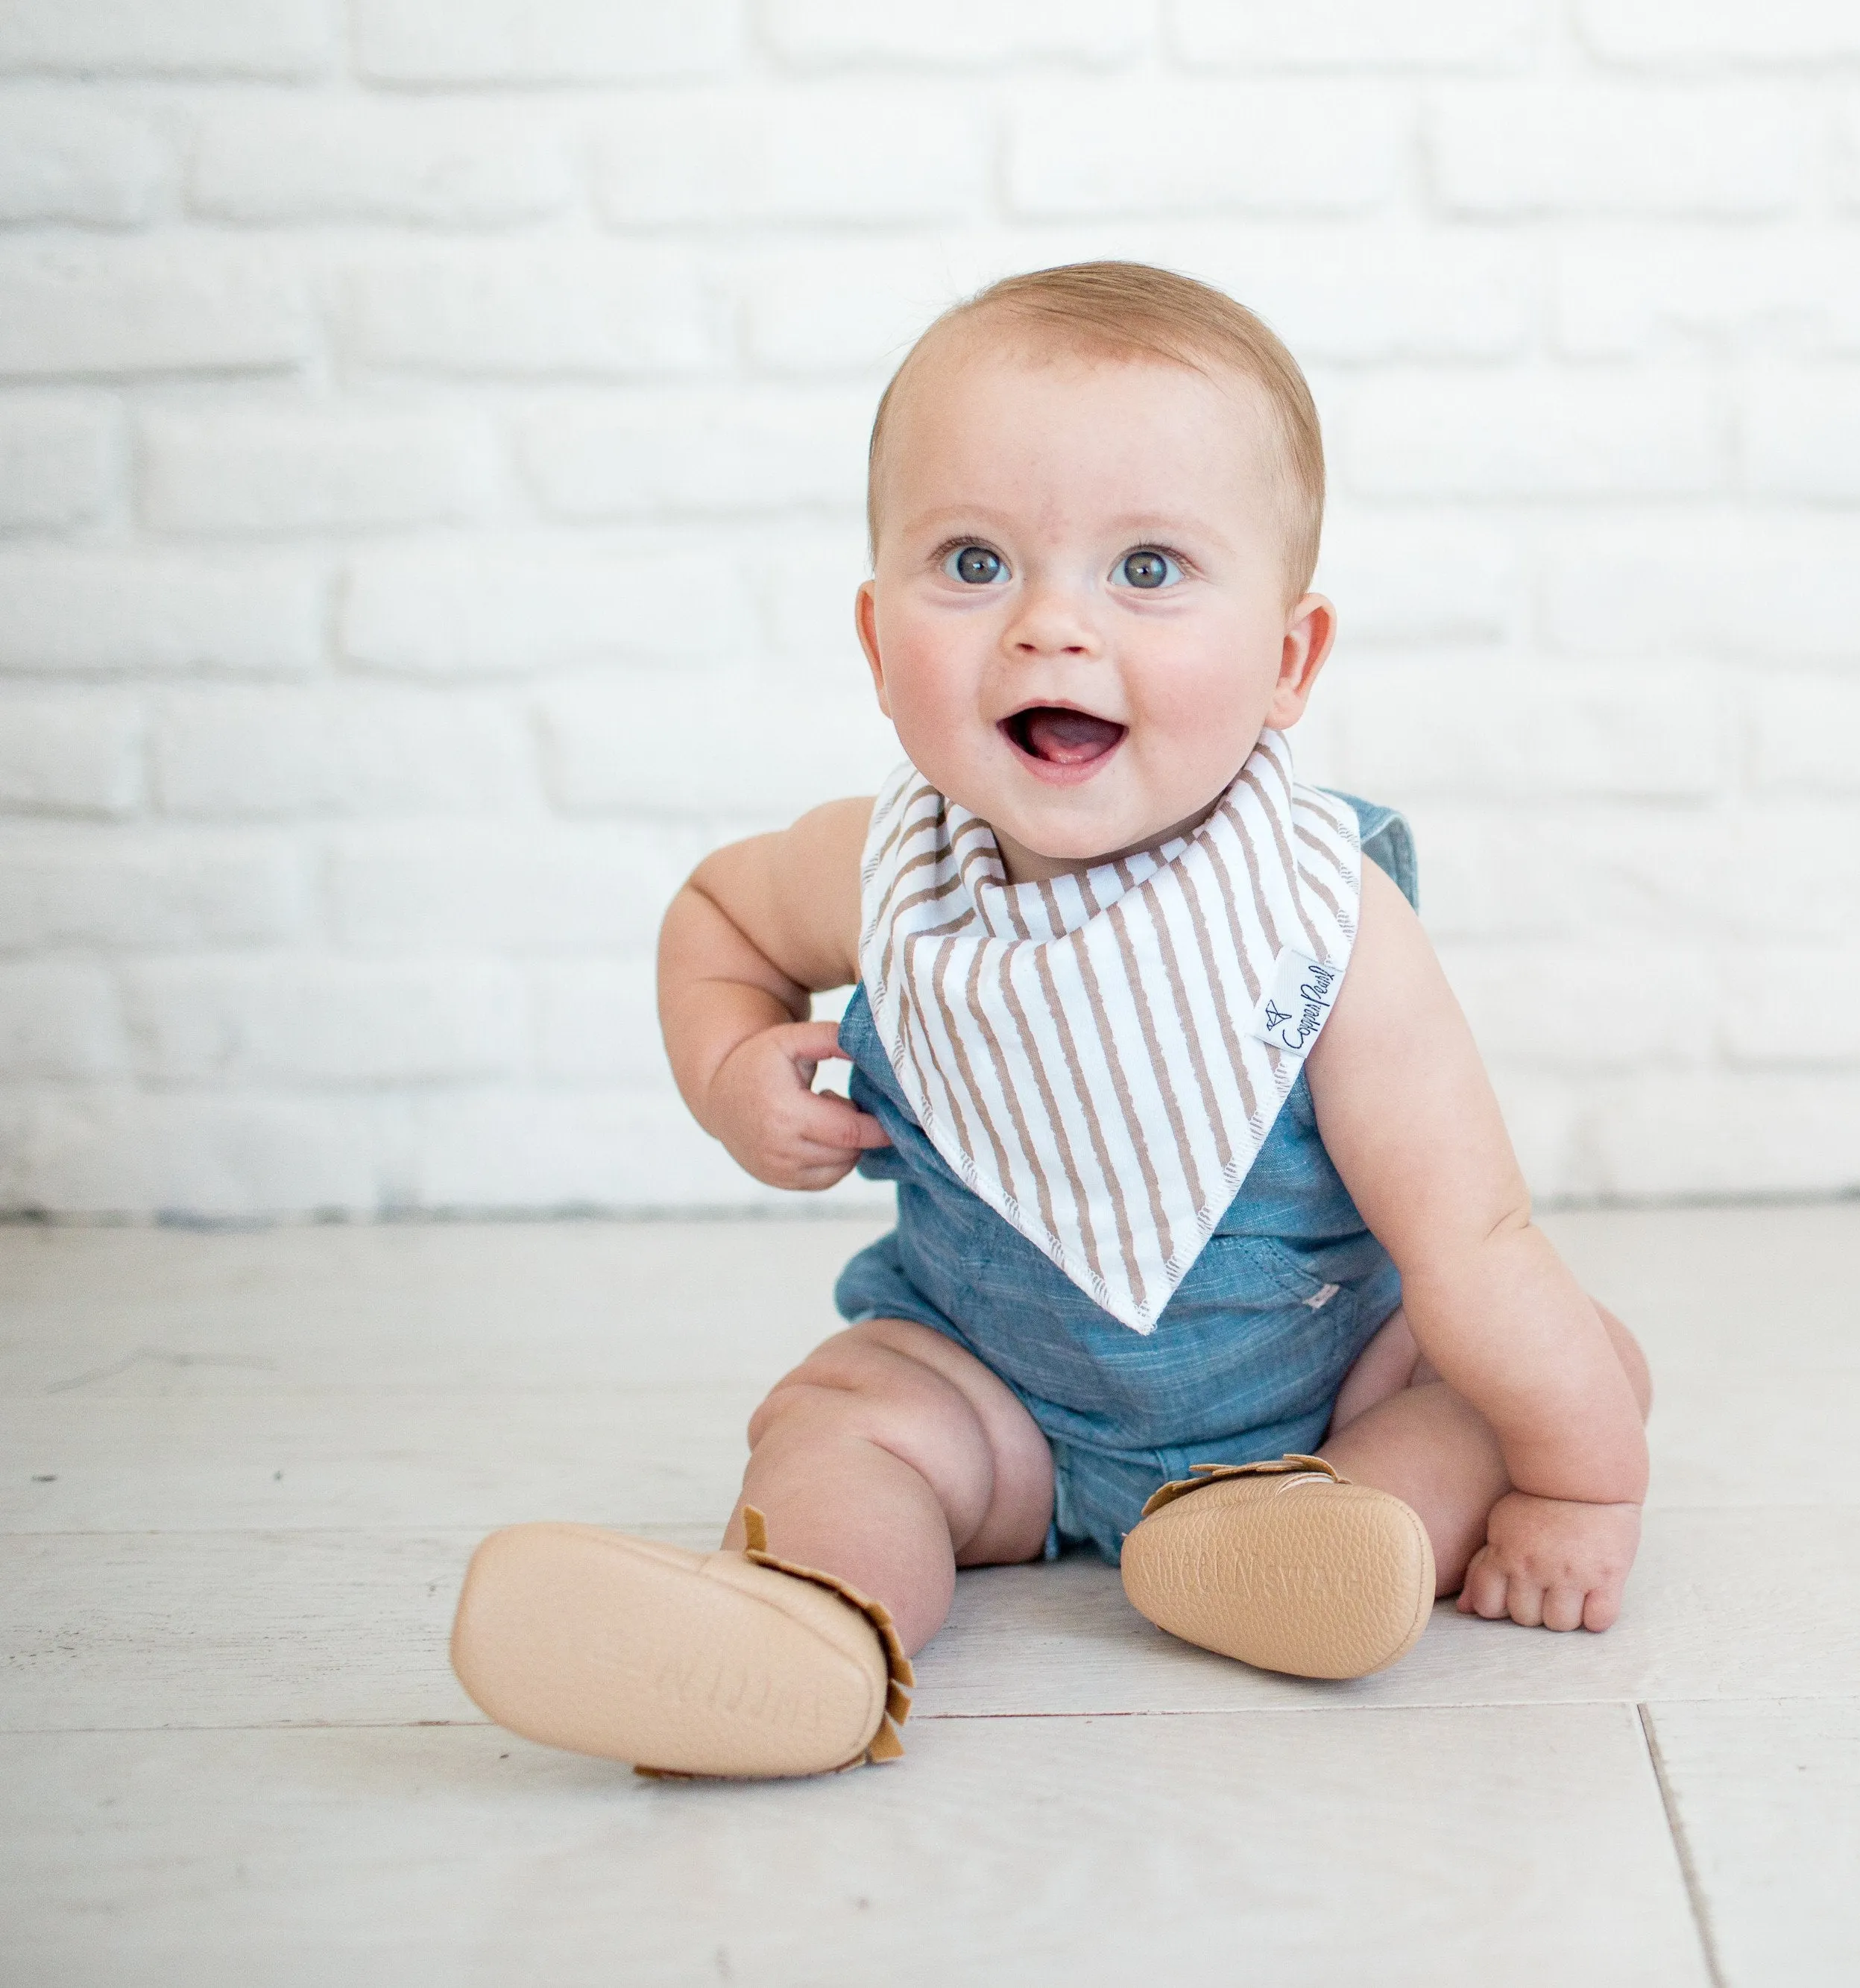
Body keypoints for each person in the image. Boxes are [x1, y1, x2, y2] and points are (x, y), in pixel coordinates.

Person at [446, 262, 1654, 1780]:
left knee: (1536, 1372)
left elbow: (1469, 1242)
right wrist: (729, 1066)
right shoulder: (883, 870)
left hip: (1313, 1397)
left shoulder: (1322, 927)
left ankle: (1310, 1542)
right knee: (841, 1422)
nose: (1048, 627)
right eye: (972, 562)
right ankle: (812, 1627)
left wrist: (1578, 1492)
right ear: (879, 638)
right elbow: (721, 916)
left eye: (1145, 570)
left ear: (1285, 662)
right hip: (991, 1393)